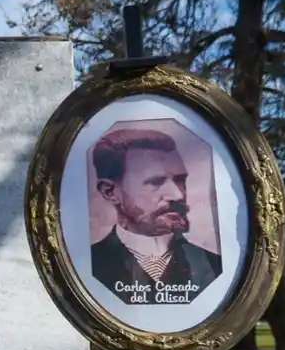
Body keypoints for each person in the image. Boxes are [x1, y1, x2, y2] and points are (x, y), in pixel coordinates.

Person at [89, 126, 221, 305]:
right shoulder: (87, 268)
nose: (178, 195)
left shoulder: (215, 267)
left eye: (180, 180)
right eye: (155, 182)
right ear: (110, 192)